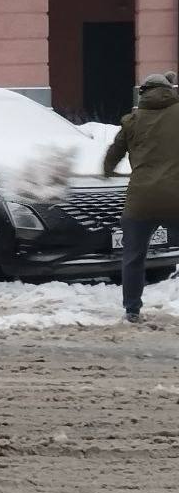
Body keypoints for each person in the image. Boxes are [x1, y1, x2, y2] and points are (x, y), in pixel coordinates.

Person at [103, 73, 179, 324]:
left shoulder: (133, 120)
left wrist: (107, 170)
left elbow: (114, 152)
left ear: (143, 92)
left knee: (134, 256)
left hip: (141, 201)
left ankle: (132, 310)